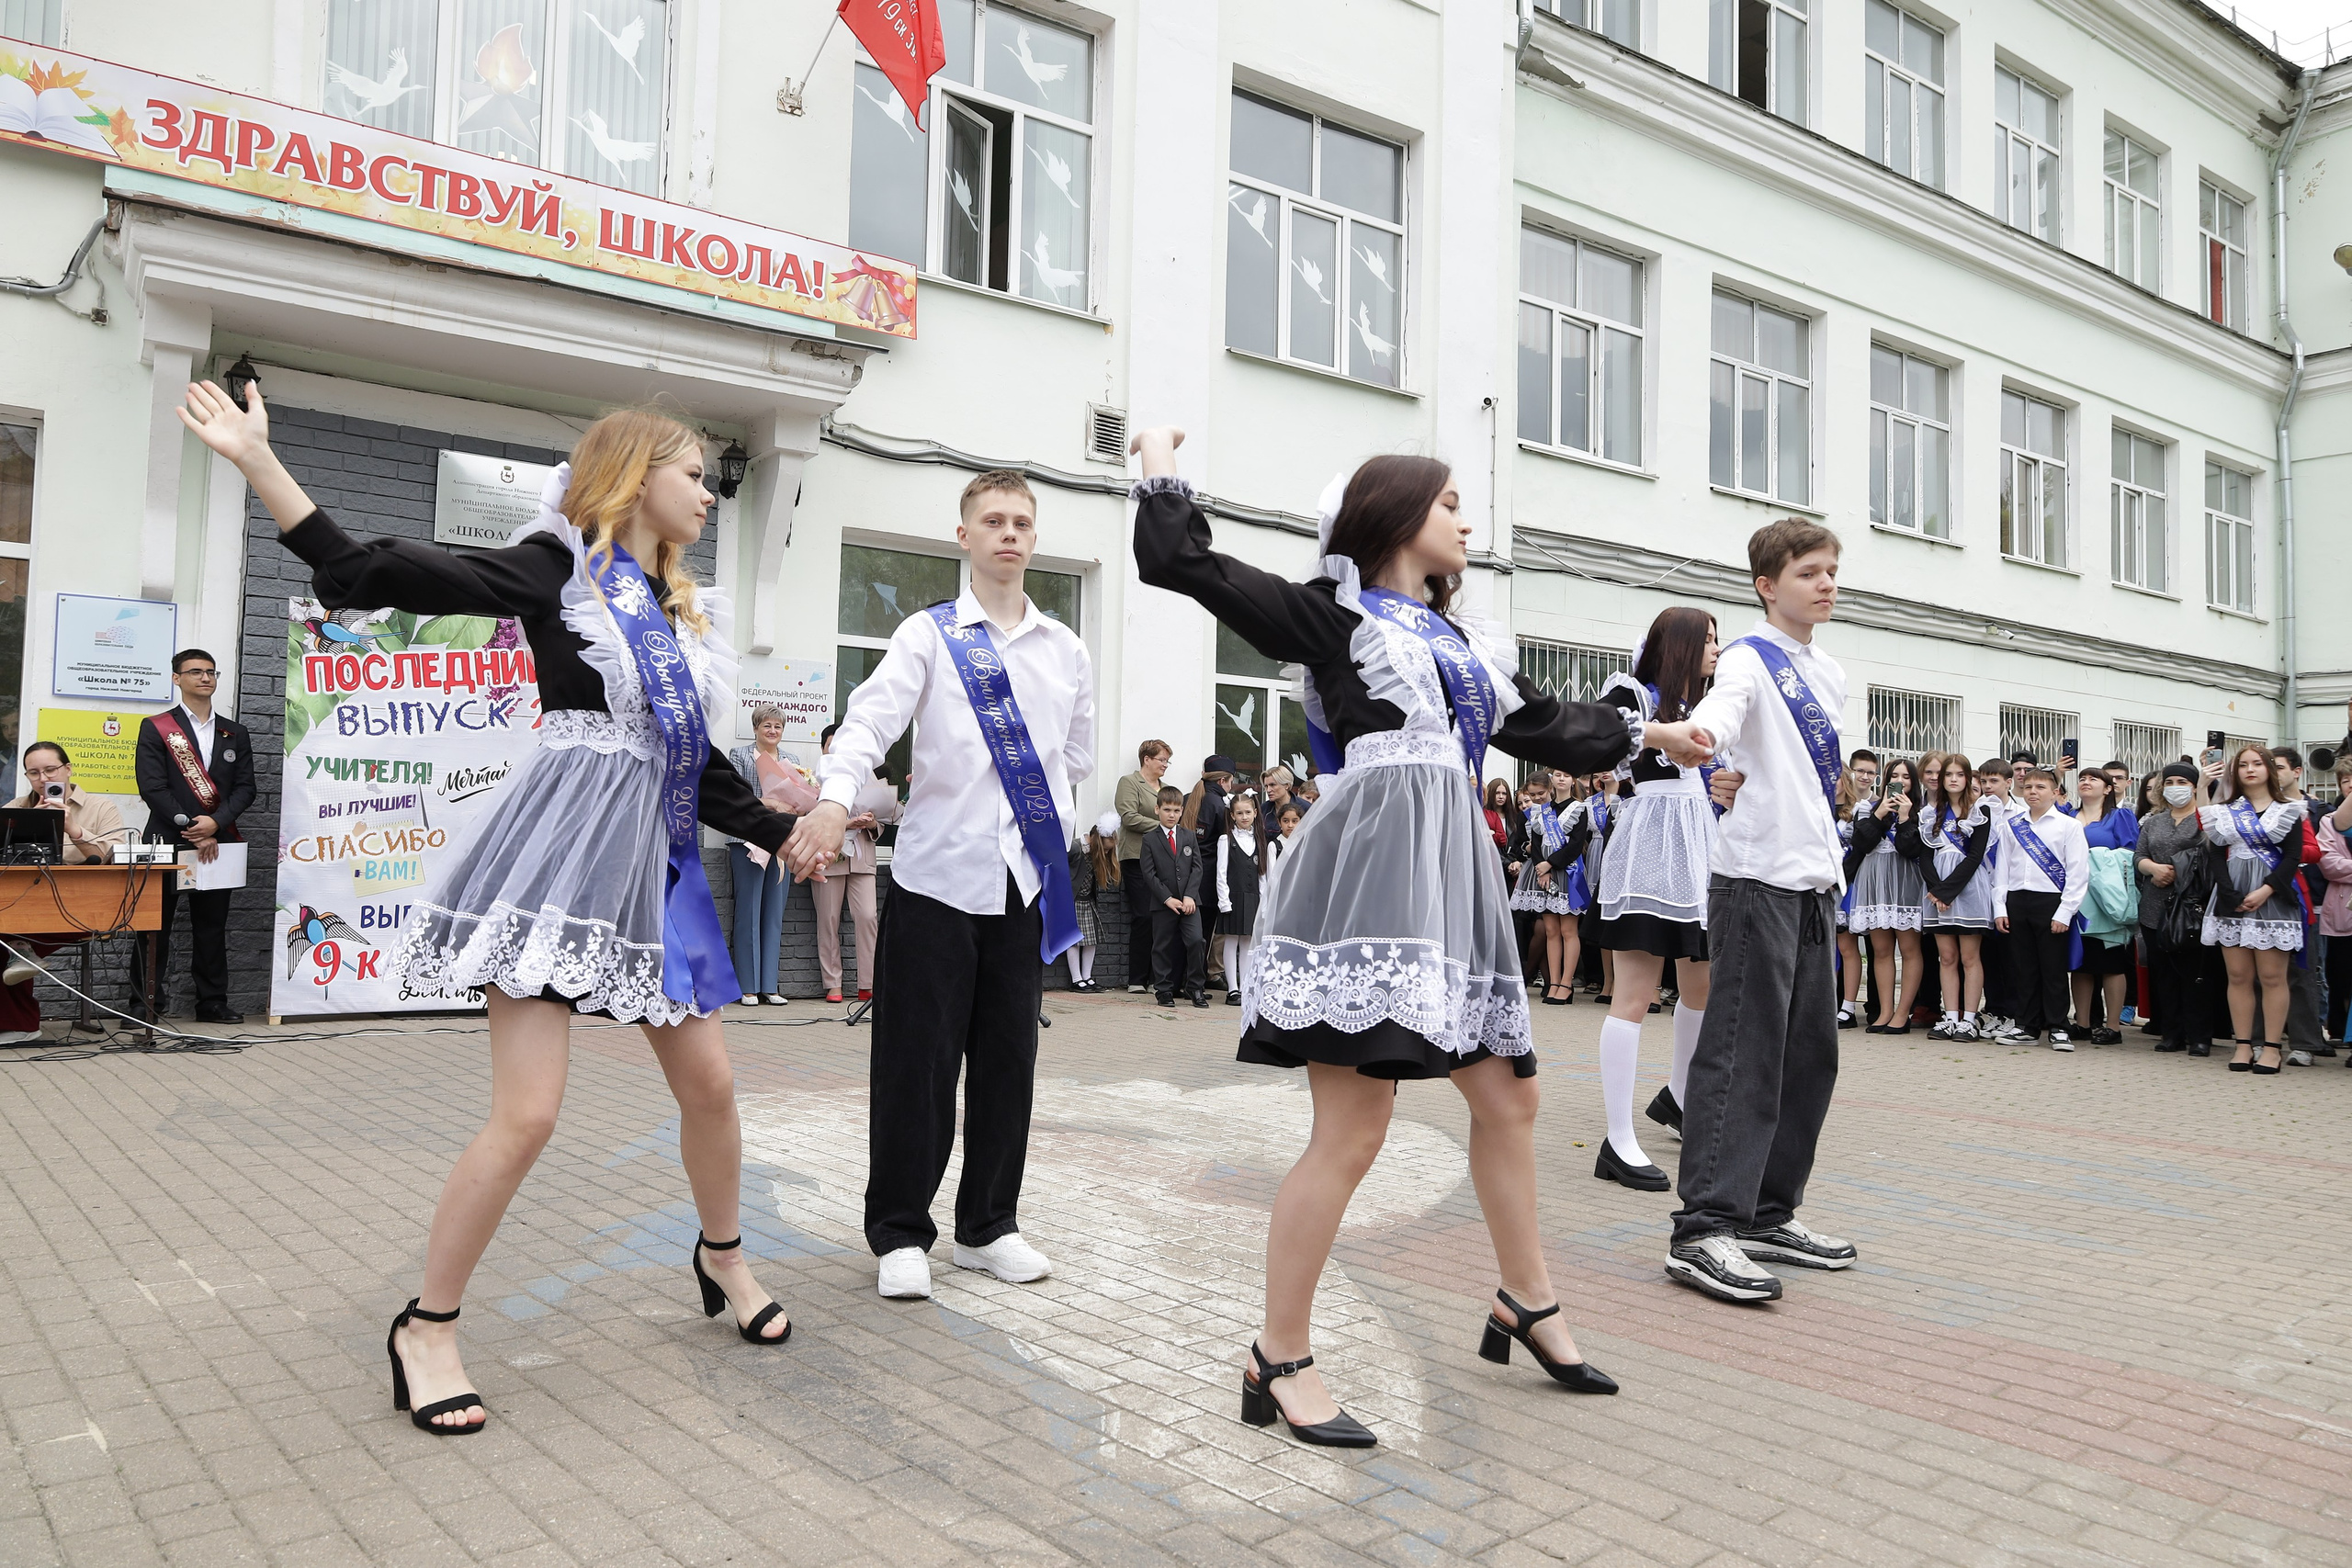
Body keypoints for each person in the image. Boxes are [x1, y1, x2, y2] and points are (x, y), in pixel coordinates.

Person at [182, 381, 800, 1434]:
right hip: (557, 867)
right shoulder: (555, 568)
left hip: (652, 877)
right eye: (695, 474)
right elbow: (374, 571)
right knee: (530, 1114)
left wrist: (794, 834)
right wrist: (258, 462)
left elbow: (693, 768)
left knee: (711, 1088)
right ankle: (426, 1327)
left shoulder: (683, 615)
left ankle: (724, 1257)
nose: (709, 494)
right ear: (633, 476)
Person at [1132, 427, 1709, 1442]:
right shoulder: (1334, 615)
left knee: (1512, 1098)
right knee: (1354, 1130)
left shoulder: (1462, 646)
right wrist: (1155, 466)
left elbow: (1542, 725)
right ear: (1396, 514)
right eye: (1449, 505)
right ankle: (1277, 1354)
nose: (1466, 523)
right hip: (1370, 889)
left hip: (1450, 892)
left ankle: (1526, 1296)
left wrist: (1654, 733)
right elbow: (1185, 564)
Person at [785, 468, 1093, 1302]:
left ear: (1035, 536)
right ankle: (899, 1230)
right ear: (964, 536)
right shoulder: (928, 635)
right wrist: (834, 800)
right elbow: (868, 724)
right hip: (935, 880)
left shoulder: (1066, 649)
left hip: (1022, 887)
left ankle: (988, 1226)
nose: (1008, 533)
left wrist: (1051, 833)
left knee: (1008, 1061)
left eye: (1021, 521)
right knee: (916, 1064)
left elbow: (1074, 758)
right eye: (992, 520)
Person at [1660, 519, 1852, 1303]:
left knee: (1809, 1058)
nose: (1827, 583)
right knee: (1742, 1053)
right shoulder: (1746, 658)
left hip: (1813, 881)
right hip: (1753, 880)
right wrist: (1697, 738)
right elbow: (1719, 717)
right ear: (1768, 585)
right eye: (1809, 572)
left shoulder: (1829, 671)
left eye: (1832, 570)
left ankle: (1769, 1214)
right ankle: (1704, 1226)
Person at [1592, 607, 1720, 1189]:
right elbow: (1599, 740)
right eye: (1708, 640)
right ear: (1681, 646)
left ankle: (1681, 1098)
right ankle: (1617, 1139)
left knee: (1702, 984)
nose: (1716, 650)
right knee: (1635, 995)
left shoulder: (1702, 707)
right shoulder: (1634, 693)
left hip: (1697, 850)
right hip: (1650, 849)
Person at [131, 649, 257, 1023]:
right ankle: (144, 1003)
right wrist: (193, 826)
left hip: (219, 841)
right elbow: (152, 787)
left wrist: (215, 824)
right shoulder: (156, 727)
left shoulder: (235, 732)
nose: (205, 678)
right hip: (168, 839)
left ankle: (212, 1003)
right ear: (177, 678)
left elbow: (245, 789)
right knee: (154, 925)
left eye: (211, 672)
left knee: (211, 927)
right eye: (196, 671)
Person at [0, 743, 130, 1039]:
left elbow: (116, 857)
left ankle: (20, 1025)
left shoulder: (100, 807)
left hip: (80, 909)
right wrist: (30, 827)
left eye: (50, 770)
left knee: (5, 941)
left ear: (68, 769)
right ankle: (20, 955)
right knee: (7, 936)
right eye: (34, 773)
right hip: (23, 907)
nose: (43, 779)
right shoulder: (15, 808)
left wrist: (75, 829)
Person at [2199, 745, 2302, 1073]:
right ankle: (2243, 1045)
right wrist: (2228, 892)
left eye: (2257, 763)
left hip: (2272, 895)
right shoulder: (2225, 811)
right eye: (2243, 764)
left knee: (2272, 976)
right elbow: (2216, 853)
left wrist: (2266, 890)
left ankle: (2272, 1048)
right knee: (2238, 976)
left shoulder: (2288, 809)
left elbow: (2292, 855)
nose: (2250, 770)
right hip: (2231, 894)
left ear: (2269, 769)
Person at [1993, 768, 2088, 1050]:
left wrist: (2065, 911)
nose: (2033, 792)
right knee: (2023, 968)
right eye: (2029, 787)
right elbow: (2002, 869)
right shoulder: (2012, 825)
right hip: (2017, 901)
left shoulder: (2068, 826)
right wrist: (2000, 908)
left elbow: (2078, 872)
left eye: (2040, 787)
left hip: (2051, 902)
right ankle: (2026, 1026)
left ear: (2055, 792)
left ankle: (2058, 1026)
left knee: (2053, 968)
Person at [725, 705, 807, 1004]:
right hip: (748, 839)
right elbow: (736, 796)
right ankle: (748, 987)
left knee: (774, 913)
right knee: (748, 911)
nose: (772, 731)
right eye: (767, 726)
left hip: (781, 839)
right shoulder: (740, 755)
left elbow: (799, 798)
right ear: (756, 728)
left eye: (778, 726)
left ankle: (770, 986)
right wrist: (772, 804)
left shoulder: (792, 760)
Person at [1912, 751, 1995, 1041]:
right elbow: (1924, 857)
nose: (1954, 779)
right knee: (1946, 957)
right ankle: (1949, 1017)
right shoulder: (1929, 813)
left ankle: (1968, 1019)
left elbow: (1975, 857)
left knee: (1970, 957)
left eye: (1960, 774)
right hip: (1938, 892)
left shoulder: (1981, 812)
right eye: (1948, 774)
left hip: (1967, 888)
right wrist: (1936, 891)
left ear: (1968, 778)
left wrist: (1947, 891)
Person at [807, 723, 890, 1005]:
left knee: (867, 916)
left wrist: (872, 823)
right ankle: (832, 983)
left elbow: (881, 822)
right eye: (831, 746)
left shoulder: (866, 777)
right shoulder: (812, 781)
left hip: (862, 857)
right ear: (823, 749)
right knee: (828, 920)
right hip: (829, 858)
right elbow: (809, 820)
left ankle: (869, 983)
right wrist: (846, 823)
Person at [2136, 761, 2212, 1055]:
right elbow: (2138, 855)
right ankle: (2171, 1033)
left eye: (2182, 782)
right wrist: (2153, 868)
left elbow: (2211, 849)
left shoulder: (2204, 818)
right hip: (2155, 907)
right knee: (2164, 975)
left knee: (2195, 974)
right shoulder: (2154, 822)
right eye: (2169, 782)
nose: (2175, 788)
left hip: (2192, 907)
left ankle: (2200, 1035)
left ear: (2194, 786)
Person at [1849, 755, 1924, 1033]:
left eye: (1905, 777)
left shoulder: (1921, 811)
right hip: (1875, 881)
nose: (1899, 782)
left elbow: (1909, 848)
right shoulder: (1868, 808)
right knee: (1881, 951)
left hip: (1905, 881)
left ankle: (1903, 1013)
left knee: (1908, 949)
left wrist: (1904, 817)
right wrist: (1879, 814)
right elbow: (1861, 843)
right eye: (1894, 776)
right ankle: (1884, 1011)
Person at [2067, 766, 2140, 1043]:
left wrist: (2095, 858)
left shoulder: (2119, 816)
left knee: (2111, 963)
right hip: (2076, 899)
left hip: (2107, 899)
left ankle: (2113, 1026)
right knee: (2081, 964)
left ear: (2108, 788)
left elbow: (2130, 854)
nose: (2086, 782)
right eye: (2082, 778)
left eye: (2093, 779)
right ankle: (2083, 1023)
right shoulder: (2068, 816)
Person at [1509, 772, 1585, 1003]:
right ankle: (1553, 982)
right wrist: (1543, 868)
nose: (1561, 779)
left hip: (1567, 873)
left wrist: (1551, 863)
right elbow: (1536, 842)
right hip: (1544, 875)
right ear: (1552, 780)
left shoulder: (1580, 809)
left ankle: (1566, 984)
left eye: (1566, 775)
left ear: (1573, 780)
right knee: (1551, 931)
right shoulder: (1540, 811)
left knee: (1568, 931)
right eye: (1557, 775)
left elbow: (1576, 845)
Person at [1142, 784, 1210, 1006]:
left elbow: (1197, 868)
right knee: (1162, 946)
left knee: (1196, 941)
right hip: (1164, 904)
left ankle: (1195, 987)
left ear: (1182, 811)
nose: (1171, 815)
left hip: (1190, 903)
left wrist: (1190, 895)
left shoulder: (1189, 836)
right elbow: (1149, 873)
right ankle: (1163, 989)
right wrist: (1167, 898)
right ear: (1157, 810)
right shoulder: (1150, 839)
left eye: (1176, 810)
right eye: (1167, 810)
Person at [1116, 741, 1172, 992]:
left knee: (1161, 918)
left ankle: (1155, 978)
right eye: (1161, 759)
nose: (1165, 765)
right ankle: (1137, 979)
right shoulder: (1130, 782)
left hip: (1163, 860)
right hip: (1136, 858)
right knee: (1143, 916)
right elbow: (1129, 817)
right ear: (1146, 759)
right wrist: (1162, 825)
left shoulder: (1166, 789)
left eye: (1167, 761)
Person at [1832, 752, 1880, 1028]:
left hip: (1846, 884)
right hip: (1816, 884)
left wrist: (1840, 876)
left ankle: (1848, 1007)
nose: (1832, 781)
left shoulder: (1857, 809)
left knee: (1847, 946)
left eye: (1837, 776)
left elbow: (1860, 850)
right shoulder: (1816, 808)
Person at [1215, 793, 1270, 1006]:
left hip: (1253, 897)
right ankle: (1232, 989)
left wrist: (1264, 902)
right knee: (1231, 940)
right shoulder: (1226, 840)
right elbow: (1221, 873)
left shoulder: (1260, 840)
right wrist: (1224, 901)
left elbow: (1262, 875)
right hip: (1233, 897)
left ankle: (1245, 986)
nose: (1244, 817)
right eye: (1239, 813)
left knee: (1247, 941)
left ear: (1255, 813)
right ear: (1232, 815)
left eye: (1248, 812)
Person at [1065, 809, 1118, 993]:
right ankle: (1076, 979)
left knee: (1091, 939)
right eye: (1105, 848)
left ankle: (1087, 977)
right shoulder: (1076, 848)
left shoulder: (1096, 853)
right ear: (1096, 839)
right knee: (1073, 940)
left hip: (1088, 900)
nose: (1106, 852)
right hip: (1073, 900)